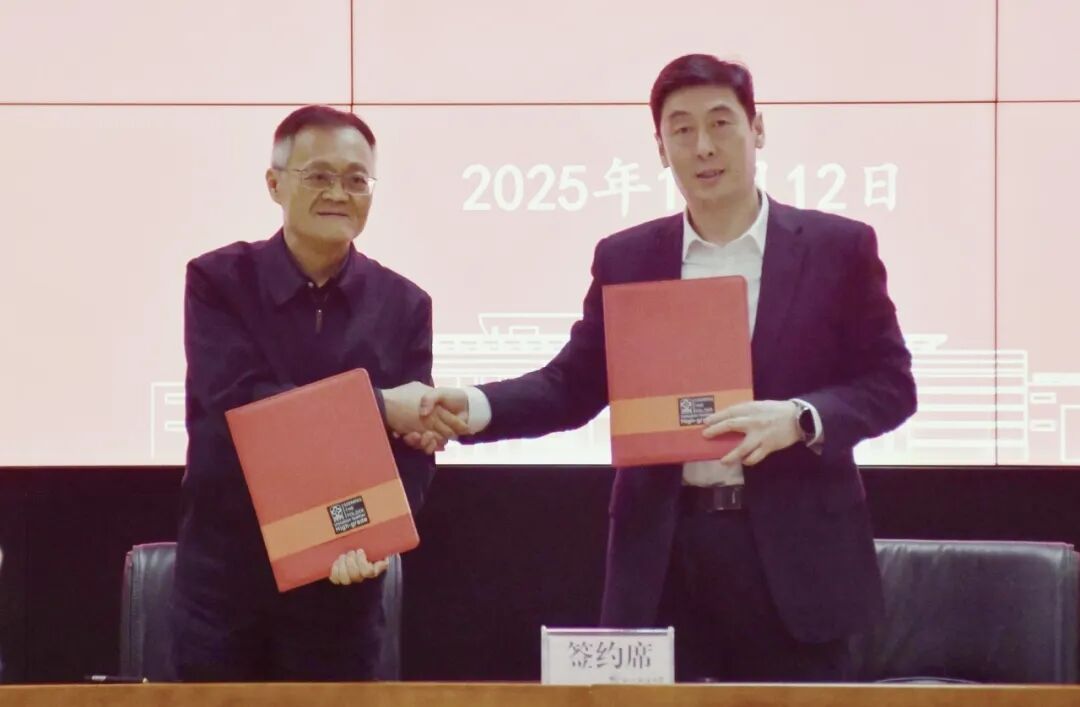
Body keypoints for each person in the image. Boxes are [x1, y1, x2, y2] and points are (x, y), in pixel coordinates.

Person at [394, 55, 916, 681]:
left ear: (757, 129)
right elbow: (572, 385)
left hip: (798, 560)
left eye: (721, 123)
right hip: (663, 556)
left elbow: (891, 384)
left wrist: (801, 419)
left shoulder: (838, 248)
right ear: (661, 148)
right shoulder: (629, 257)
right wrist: (474, 406)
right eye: (681, 129)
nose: (703, 146)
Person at [172, 105, 465, 681]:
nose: (338, 193)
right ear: (274, 184)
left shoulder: (404, 305)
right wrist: (380, 406)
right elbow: (238, 406)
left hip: (342, 589)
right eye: (319, 176)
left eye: (357, 180)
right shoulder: (218, 282)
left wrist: (375, 537)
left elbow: (414, 450)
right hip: (225, 588)